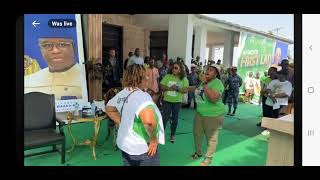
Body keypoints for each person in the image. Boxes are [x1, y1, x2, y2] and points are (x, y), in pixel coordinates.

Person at [105, 64, 165, 166]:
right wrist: (154, 140)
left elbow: (109, 109)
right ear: (139, 78)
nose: (148, 78)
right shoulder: (142, 97)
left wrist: (122, 122)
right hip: (142, 147)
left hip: (126, 146)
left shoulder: (122, 93)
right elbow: (149, 122)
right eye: (145, 75)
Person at [188, 64, 225, 166]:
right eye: (207, 69)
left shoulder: (217, 83)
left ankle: (208, 158)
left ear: (216, 74)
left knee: (211, 138)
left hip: (214, 115)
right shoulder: (203, 82)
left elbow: (213, 98)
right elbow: (195, 89)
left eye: (211, 70)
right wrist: (180, 88)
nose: (208, 71)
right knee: (197, 134)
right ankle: (198, 152)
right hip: (200, 113)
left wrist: (204, 83)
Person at [160, 62, 189, 143]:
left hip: (177, 102)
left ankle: (173, 135)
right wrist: (169, 87)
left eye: (176, 68)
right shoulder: (168, 76)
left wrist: (177, 89)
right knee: (164, 118)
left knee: (175, 119)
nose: (173, 69)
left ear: (180, 70)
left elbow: (186, 90)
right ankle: (160, 135)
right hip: (167, 101)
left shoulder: (184, 79)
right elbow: (161, 86)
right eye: (173, 68)